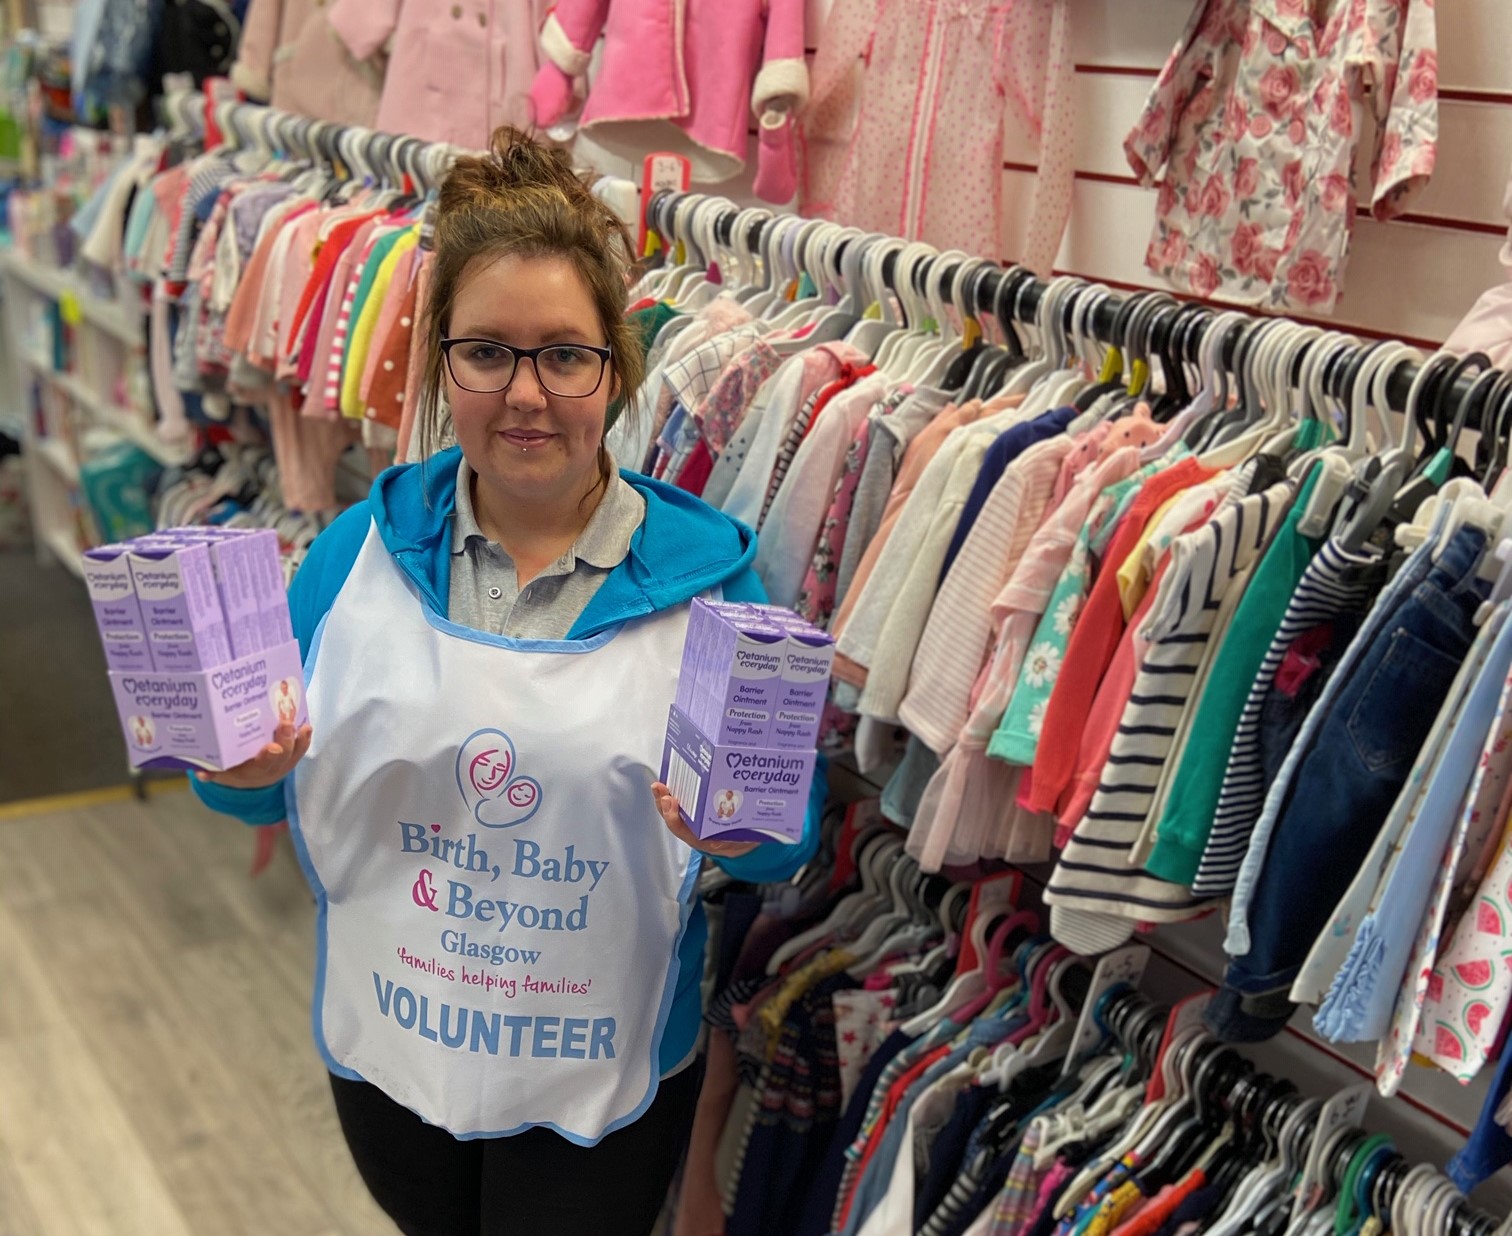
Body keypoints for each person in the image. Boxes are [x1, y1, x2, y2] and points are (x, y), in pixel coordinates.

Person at [190, 128, 819, 1236]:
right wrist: (236, 770)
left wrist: (737, 834)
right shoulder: (354, 559)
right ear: (442, 364)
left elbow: (781, 835)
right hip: (399, 1047)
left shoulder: (718, 588)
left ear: (616, 368)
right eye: (487, 352)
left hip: (603, 1083)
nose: (526, 394)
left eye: (564, 354)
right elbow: (248, 782)